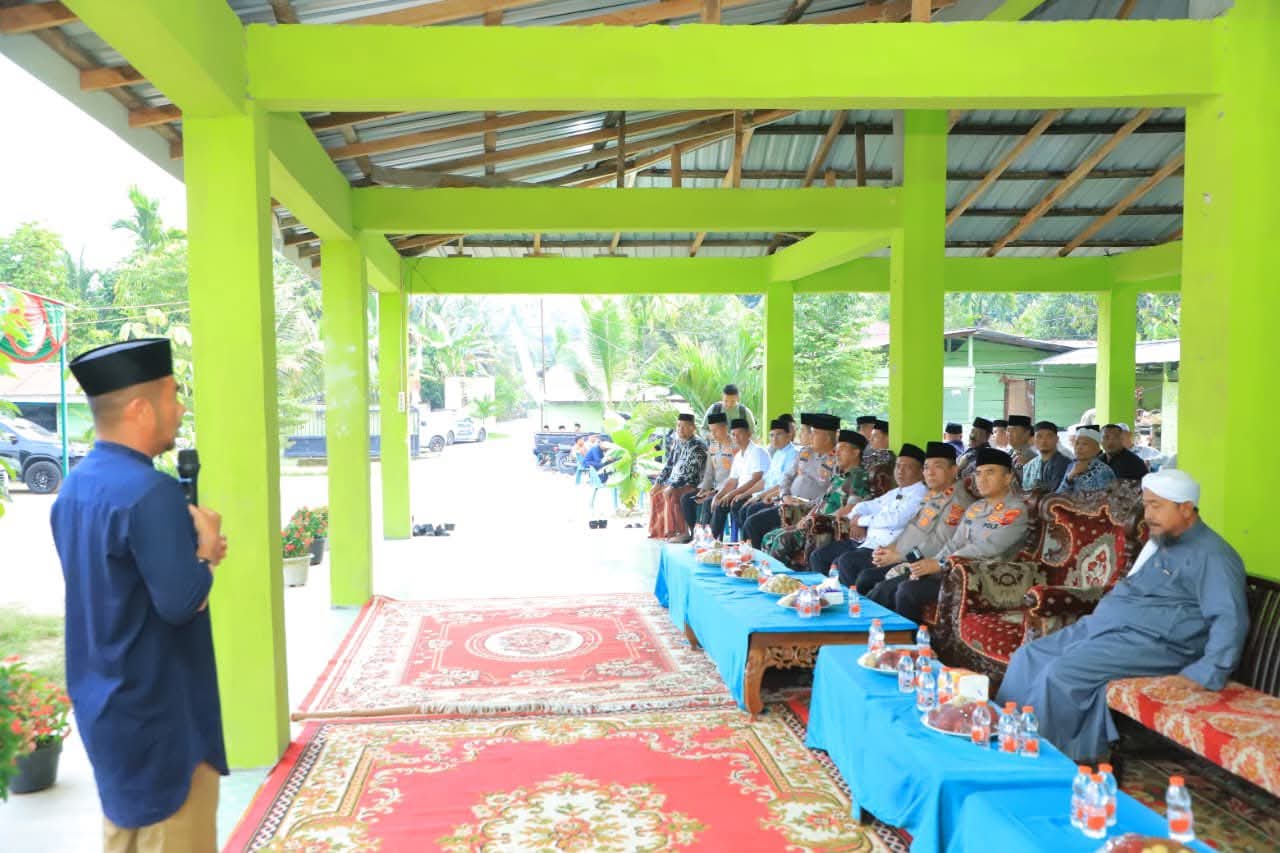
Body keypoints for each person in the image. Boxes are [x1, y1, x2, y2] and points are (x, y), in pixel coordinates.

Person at [51, 338, 229, 851]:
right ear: (139, 407)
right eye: (173, 396)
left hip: (106, 705)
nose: (180, 408)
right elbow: (181, 603)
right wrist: (206, 550)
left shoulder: (77, 487)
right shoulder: (150, 493)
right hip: (161, 717)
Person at [997, 469, 1248, 761]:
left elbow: (1230, 618)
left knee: (1060, 676)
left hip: (1157, 645)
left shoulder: (1213, 555)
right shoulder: (1165, 541)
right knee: (1027, 657)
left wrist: (1205, 673)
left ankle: (1041, 762)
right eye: (1147, 504)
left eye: (1157, 506)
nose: (1148, 513)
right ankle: (1004, 741)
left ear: (1186, 508)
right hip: (1109, 629)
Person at [869, 447, 1029, 622]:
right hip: (953, 570)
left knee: (907, 591)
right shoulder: (976, 507)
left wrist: (940, 564)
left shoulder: (1015, 510)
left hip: (983, 578)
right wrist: (929, 564)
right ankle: (871, 632)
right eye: (978, 473)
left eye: (990, 473)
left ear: (1008, 477)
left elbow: (987, 548)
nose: (982, 479)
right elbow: (954, 542)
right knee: (889, 585)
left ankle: (911, 643)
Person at [835, 442, 970, 593]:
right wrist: (889, 548)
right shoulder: (933, 496)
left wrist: (898, 556)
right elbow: (910, 527)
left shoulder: (957, 502)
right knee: (863, 575)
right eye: (927, 467)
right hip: (904, 554)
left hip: (926, 562)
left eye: (937, 466)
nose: (930, 472)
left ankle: (864, 613)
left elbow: (938, 541)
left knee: (878, 585)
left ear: (953, 470)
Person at [807, 443, 928, 574]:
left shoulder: (920, 495)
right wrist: (855, 519)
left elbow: (895, 519)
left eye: (907, 467)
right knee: (819, 556)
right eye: (898, 466)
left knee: (845, 562)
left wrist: (860, 521)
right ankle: (823, 592)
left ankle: (846, 594)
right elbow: (866, 505)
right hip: (865, 542)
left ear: (921, 472)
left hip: (884, 549)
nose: (900, 471)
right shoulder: (896, 492)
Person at [762, 428, 871, 565]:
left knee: (783, 540)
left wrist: (816, 518)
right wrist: (808, 516)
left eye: (842, 449)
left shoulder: (858, 476)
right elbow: (823, 501)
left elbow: (851, 508)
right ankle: (772, 577)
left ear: (856, 452)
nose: (837, 453)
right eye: (837, 448)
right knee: (770, 536)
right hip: (814, 522)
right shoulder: (839, 476)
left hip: (826, 527)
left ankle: (781, 579)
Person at [742, 413, 840, 548]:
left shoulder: (838, 460)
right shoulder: (806, 452)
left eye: (815, 433)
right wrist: (785, 495)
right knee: (752, 522)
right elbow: (787, 477)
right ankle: (755, 561)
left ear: (827, 437)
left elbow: (832, 492)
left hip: (808, 510)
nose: (811, 436)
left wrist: (806, 503)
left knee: (756, 524)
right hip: (788, 504)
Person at [730, 418, 797, 534]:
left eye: (778, 434)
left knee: (751, 509)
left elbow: (783, 485)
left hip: (778, 498)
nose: (774, 439)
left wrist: (759, 496)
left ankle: (753, 546)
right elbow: (765, 480)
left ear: (788, 435)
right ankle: (747, 543)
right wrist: (744, 494)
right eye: (771, 435)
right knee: (740, 505)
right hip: (766, 495)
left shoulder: (794, 454)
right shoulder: (777, 453)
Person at [707, 418, 770, 540]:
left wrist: (732, 494)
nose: (736, 437)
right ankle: (711, 540)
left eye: (739, 433)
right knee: (719, 504)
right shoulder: (738, 456)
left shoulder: (757, 451)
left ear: (749, 434)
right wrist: (718, 495)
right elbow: (732, 481)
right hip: (740, 493)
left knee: (735, 504)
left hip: (755, 493)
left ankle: (746, 541)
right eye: (733, 434)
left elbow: (756, 479)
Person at [648, 413, 707, 539]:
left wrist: (672, 486)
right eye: (678, 426)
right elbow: (669, 465)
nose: (680, 429)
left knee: (673, 493)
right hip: (677, 482)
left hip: (693, 484)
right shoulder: (677, 443)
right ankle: (662, 531)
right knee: (656, 493)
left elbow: (691, 473)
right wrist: (658, 483)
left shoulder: (698, 445)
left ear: (693, 428)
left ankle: (683, 533)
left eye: (684, 427)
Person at [677, 412, 735, 542]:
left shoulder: (735, 447)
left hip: (729, 490)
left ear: (725, 428)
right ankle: (695, 534)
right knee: (687, 499)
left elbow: (735, 477)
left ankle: (710, 540)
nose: (713, 434)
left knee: (709, 502)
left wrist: (713, 492)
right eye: (711, 431)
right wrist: (703, 490)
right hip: (715, 488)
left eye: (716, 430)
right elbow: (709, 473)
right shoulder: (713, 446)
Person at [1056, 427, 1116, 494]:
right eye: (1077, 443)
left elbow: (1105, 499)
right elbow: (1058, 495)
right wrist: (1070, 477)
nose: (1079, 447)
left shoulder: (1104, 471)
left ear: (1096, 449)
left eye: (1085, 444)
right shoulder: (1071, 466)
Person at [1021, 420, 1072, 493]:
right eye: (1039, 436)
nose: (1043, 441)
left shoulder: (1067, 464)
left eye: (1049, 436)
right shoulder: (1029, 466)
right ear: (1033, 440)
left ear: (1057, 439)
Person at [1005, 414, 1037, 480]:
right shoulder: (1009, 453)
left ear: (1026, 433)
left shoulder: (1031, 457)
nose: (1009, 434)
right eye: (1008, 430)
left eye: (1014, 430)